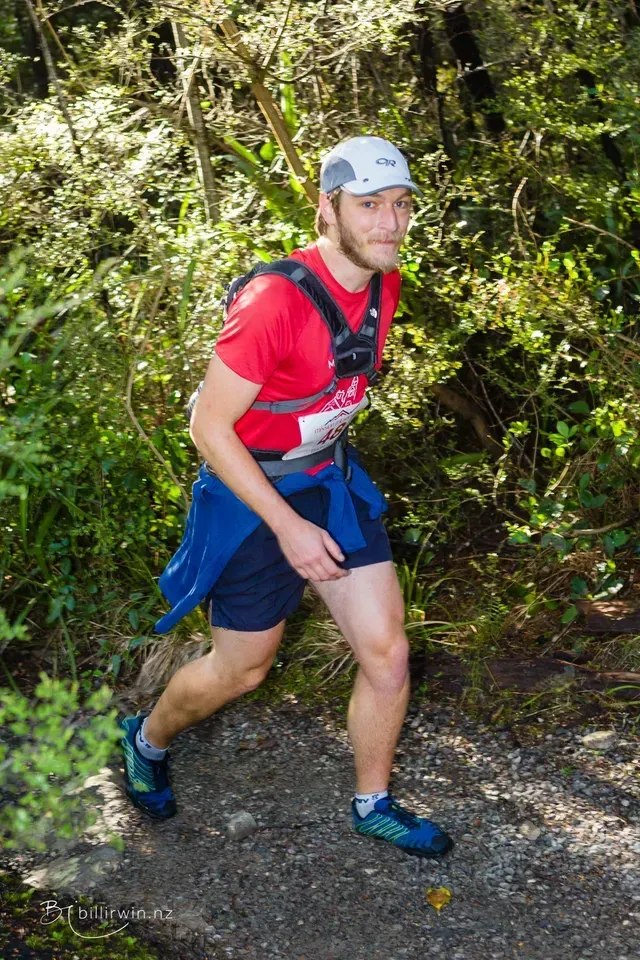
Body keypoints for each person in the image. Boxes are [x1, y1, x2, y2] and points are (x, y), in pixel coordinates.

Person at [119, 136, 454, 859]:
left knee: (388, 652)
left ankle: (373, 803)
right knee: (243, 669)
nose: (390, 223)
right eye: (370, 206)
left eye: (400, 206)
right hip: (251, 495)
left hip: (327, 481)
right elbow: (208, 425)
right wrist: (287, 528)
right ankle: (146, 738)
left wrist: (314, 501)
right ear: (327, 209)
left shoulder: (383, 280)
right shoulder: (274, 299)